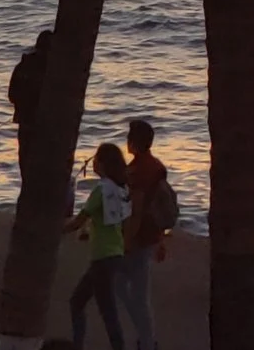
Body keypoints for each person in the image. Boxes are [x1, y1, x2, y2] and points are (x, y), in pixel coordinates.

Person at [64, 142, 131, 350]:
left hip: (102, 257)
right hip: (115, 253)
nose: (93, 163)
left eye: (96, 159)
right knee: (86, 302)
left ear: (102, 164)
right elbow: (112, 221)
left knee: (100, 307)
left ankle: (83, 344)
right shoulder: (121, 189)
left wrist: (55, 230)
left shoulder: (100, 190)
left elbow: (78, 221)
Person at [121, 120, 175, 350]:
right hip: (152, 234)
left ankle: (147, 339)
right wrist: (160, 239)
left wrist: (126, 241)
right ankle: (146, 338)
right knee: (137, 291)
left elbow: (138, 211)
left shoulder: (137, 172)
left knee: (125, 290)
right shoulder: (156, 166)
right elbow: (160, 205)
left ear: (133, 143)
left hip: (140, 237)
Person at [9, 30, 53, 187]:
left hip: (25, 120)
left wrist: (22, 106)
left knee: (26, 161)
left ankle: (28, 192)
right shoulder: (51, 69)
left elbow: (12, 95)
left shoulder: (23, 65)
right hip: (43, 124)